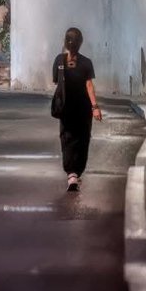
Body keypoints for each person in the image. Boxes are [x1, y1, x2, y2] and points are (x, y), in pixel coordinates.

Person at [52, 27, 102, 193]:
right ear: (80, 43)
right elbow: (89, 85)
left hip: (65, 108)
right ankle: (77, 173)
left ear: (66, 42)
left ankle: (71, 174)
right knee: (82, 140)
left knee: (67, 139)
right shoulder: (86, 62)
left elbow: (56, 82)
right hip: (83, 109)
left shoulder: (59, 60)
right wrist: (95, 107)